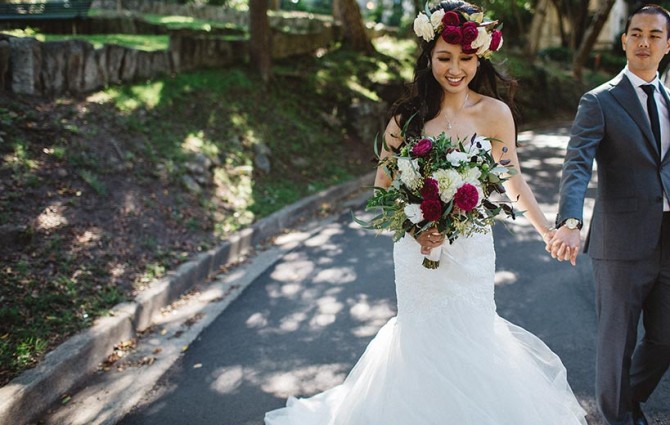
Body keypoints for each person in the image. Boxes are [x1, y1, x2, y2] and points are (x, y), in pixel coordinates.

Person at [265, 1, 587, 423]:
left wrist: (548, 230)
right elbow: (381, 192)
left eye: (466, 59)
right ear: (428, 57)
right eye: (445, 57)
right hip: (417, 253)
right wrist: (415, 230)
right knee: (421, 340)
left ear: (479, 58)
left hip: (470, 251)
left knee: (472, 336)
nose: (456, 69)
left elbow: (514, 180)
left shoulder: (495, 114)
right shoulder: (405, 118)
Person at [549, 4, 670, 425]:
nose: (644, 41)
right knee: (616, 342)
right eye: (636, 33)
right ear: (624, 41)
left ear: (667, 45)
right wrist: (569, 220)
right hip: (621, 241)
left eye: (654, 35)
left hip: (668, 238)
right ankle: (618, 417)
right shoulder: (599, 101)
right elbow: (577, 163)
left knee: (664, 339)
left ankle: (624, 398)